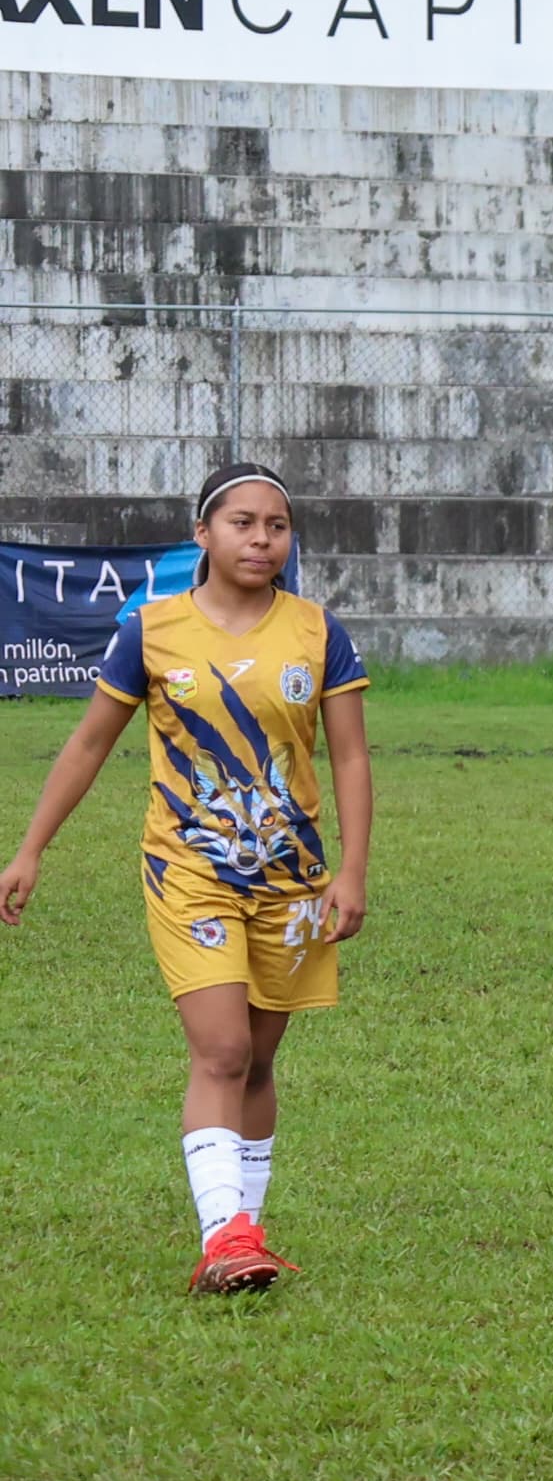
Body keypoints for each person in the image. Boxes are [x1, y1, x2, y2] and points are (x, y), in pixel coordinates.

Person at [2, 462, 374, 1293]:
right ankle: (224, 1239)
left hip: (292, 881)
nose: (261, 539)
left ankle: (246, 1226)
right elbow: (90, 743)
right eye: (241, 522)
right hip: (188, 874)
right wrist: (30, 849)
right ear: (201, 535)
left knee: (261, 1061)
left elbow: (348, 754)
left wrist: (350, 870)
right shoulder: (152, 629)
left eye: (276, 525)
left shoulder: (318, 632)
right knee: (222, 1048)